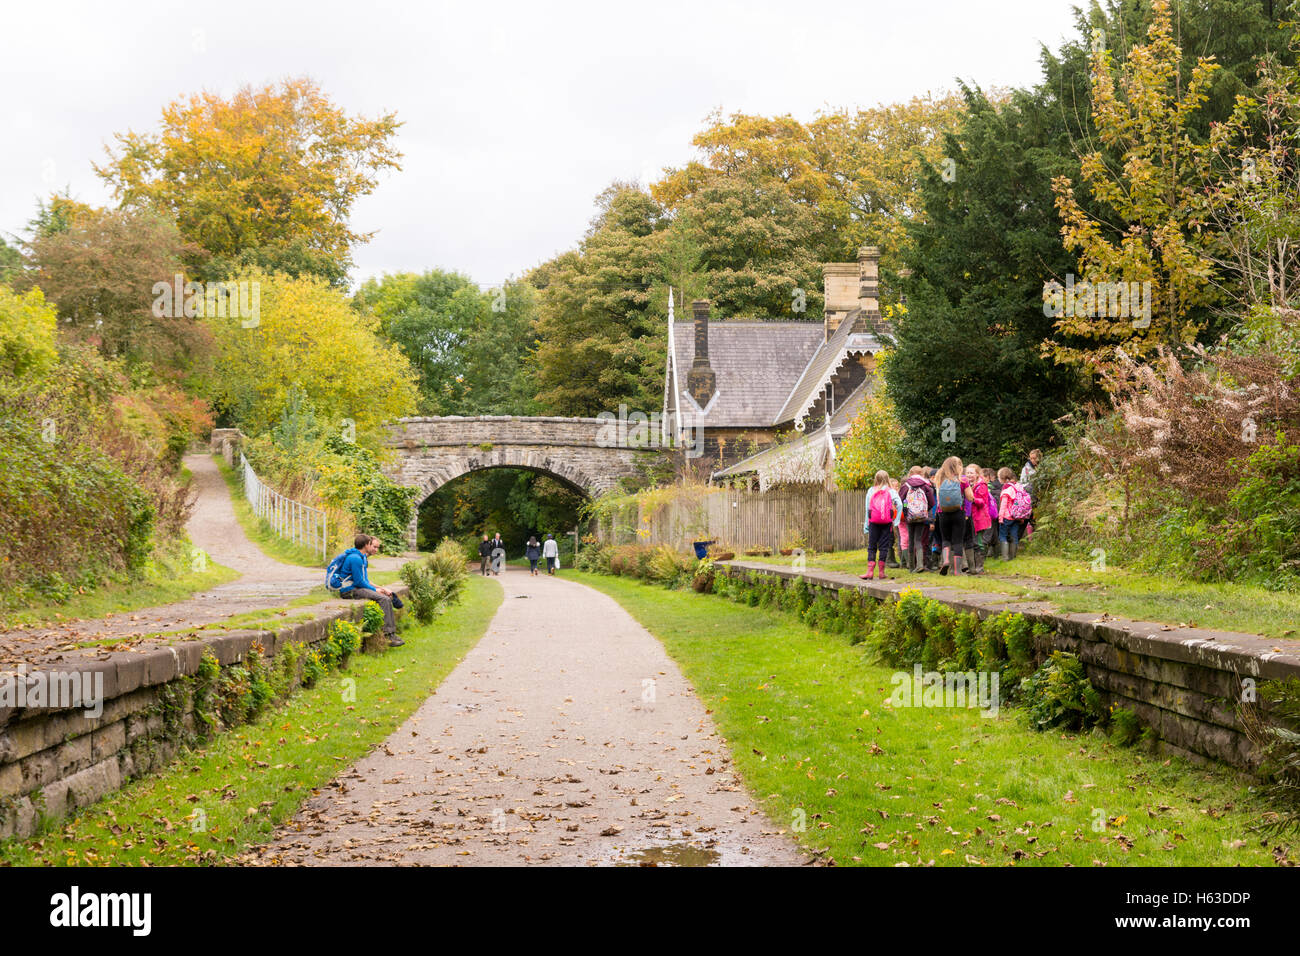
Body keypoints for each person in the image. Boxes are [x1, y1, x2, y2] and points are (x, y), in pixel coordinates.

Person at [338, 533, 403, 647]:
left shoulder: (361, 557)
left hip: (357, 588)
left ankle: (392, 633)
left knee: (386, 596)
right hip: (349, 591)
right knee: (384, 599)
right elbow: (359, 582)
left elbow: (364, 580)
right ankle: (388, 636)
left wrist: (380, 588)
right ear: (366, 545)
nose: (374, 548)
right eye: (371, 544)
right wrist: (375, 590)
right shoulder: (355, 558)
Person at [933, 456, 972, 577]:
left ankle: (945, 561)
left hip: (943, 513)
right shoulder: (963, 479)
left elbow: (939, 498)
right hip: (958, 512)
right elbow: (970, 497)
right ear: (958, 466)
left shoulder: (939, 478)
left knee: (946, 539)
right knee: (958, 541)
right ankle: (956, 571)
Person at [860, 470, 897, 580]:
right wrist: (896, 519)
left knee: (872, 546)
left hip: (873, 522)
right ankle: (881, 572)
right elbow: (899, 504)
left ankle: (870, 572)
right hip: (886, 522)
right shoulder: (891, 491)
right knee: (884, 546)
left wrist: (866, 524)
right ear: (887, 478)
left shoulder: (871, 490)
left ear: (876, 479)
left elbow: (868, 509)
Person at [901, 466, 936, 574]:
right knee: (918, 540)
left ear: (910, 474)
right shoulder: (925, 485)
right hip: (921, 516)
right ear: (921, 474)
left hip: (909, 517)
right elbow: (932, 502)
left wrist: (906, 510)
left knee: (911, 540)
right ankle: (920, 565)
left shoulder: (906, 485)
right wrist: (924, 510)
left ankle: (911, 567)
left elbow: (901, 500)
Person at [966, 464, 993, 574]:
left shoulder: (982, 485)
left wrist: (972, 499)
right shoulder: (968, 485)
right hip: (970, 517)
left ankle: (980, 567)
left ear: (977, 474)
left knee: (979, 542)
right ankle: (973, 567)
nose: (969, 475)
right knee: (972, 541)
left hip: (980, 517)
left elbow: (982, 502)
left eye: (971, 473)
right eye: (967, 473)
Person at [998, 467, 1026, 560]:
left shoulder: (1006, 489)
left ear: (1004, 479)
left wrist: (1000, 517)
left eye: (999, 478)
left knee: (1003, 535)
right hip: (1016, 516)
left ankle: (1005, 557)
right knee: (1014, 535)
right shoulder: (1018, 486)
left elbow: (1003, 504)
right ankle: (1013, 556)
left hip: (1006, 516)